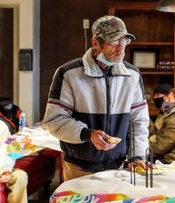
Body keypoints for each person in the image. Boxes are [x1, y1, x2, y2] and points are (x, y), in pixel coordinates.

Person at [43, 15, 150, 181]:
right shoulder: (69, 73)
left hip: (118, 167)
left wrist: (137, 156)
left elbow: (138, 121)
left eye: (124, 41)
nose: (121, 49)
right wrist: (87, 134)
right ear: (95, 43)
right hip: (80, 167)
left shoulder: (132, 75)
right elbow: (54, 121)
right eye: (114, 42)